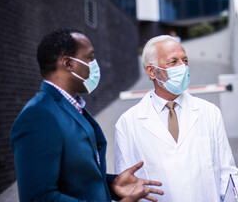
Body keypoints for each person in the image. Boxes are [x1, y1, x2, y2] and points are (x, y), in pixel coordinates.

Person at [10, 29, 164, 202]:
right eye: (90, 57)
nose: (94, 65)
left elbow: (76, 177)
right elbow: (38, 197)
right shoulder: (38, 116)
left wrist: (112, 184)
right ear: (68, 64)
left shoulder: (73, 107)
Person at [114, 35, 238, 202]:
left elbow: (227, 172)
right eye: (173, 62)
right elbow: (128, 185)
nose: (183, 67)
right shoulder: (128, 123)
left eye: (185, 60)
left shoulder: (209, 112)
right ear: (151, 71)